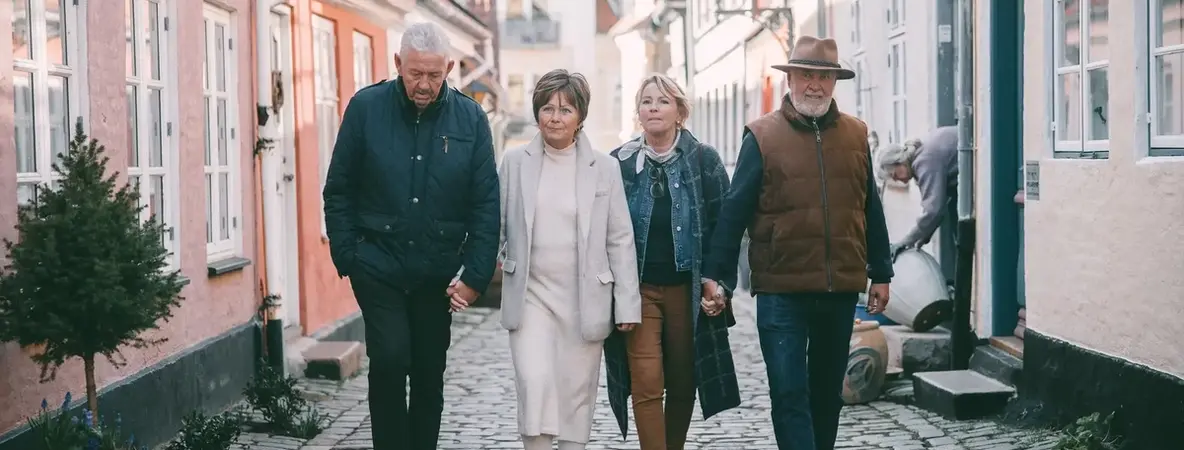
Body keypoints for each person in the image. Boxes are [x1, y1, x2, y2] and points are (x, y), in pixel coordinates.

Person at [701, 36, 895, 450]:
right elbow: (734, 211)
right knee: (788, 392)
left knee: (827, 394)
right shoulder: (762, 136)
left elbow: (870, 207)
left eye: (824, 77)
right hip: (781, 289)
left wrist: (881, 271)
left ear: (834, 82)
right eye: (806, 75)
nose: (815, 85)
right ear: (790, 79)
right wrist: (717, 275)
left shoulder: (855, 134)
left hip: (839, 288)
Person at [321, 22, 500, 450]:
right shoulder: (366, 108)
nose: (424, 84)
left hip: (436, 272)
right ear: (398, 63)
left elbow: (485, 203)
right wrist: (348, 255)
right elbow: (339, 188)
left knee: (427, 369)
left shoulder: (471, 119)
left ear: (450, 68)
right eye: (415, 73)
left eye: (434, 75)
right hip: (376, 264)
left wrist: (475, 276)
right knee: (389, 358)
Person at [496, 69, 642, 450]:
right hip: (530, 296)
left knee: (576, 391)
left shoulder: (604, 168)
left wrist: (626, 303)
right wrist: (479, 269)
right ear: (536, 113)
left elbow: (620, 239)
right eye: (547, 108)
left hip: (583, 299)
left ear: (580, 117)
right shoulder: (514, 163)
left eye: (564, 109)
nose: (555, 117)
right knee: (534, 381)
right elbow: (493, 225)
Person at [602, 74, 740, 450]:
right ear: (638, 112)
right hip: (638, 291)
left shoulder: (702, 160)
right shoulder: (619, 163)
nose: (654, 108)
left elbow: (724, 228)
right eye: (646, 101)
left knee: (682, 382)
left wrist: (719, 282)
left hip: (686, 290)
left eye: (663, 101)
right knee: (646, 382)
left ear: (680, 111)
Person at [877, 126, 958, 256]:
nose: (897, 180)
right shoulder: (921, 155)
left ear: (899, 161)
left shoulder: (924, 162)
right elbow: (937, 207)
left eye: (894, 175)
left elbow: (933, 210)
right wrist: (923, 236)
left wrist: (905, 242)